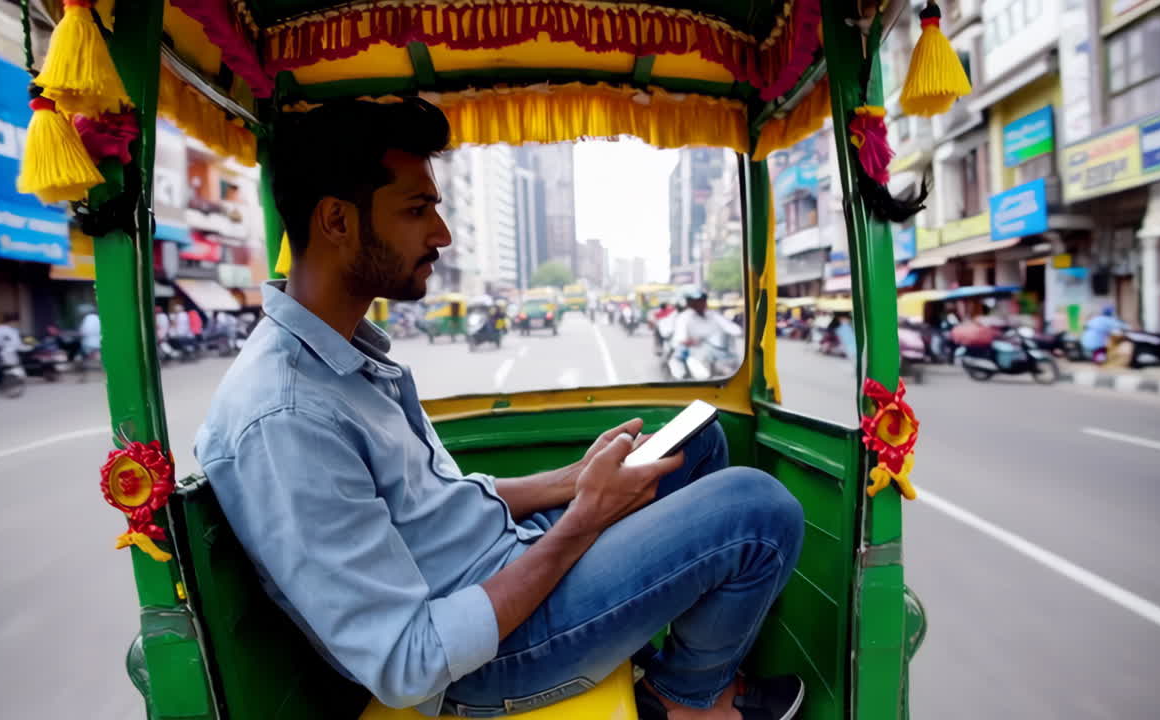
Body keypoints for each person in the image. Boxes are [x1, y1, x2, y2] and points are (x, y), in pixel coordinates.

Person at [195, 98, 805, 720]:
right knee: (759, 511)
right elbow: (411, 663)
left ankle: (675, 671)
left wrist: (573, 480)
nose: (442, 234)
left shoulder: (345, 358)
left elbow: (440, 503)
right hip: (489, 659)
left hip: (503, 556)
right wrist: (580, 523)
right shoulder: (286, 417)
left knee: (691, 443)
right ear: (335, 221)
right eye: (417, 210)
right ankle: (681, 700)